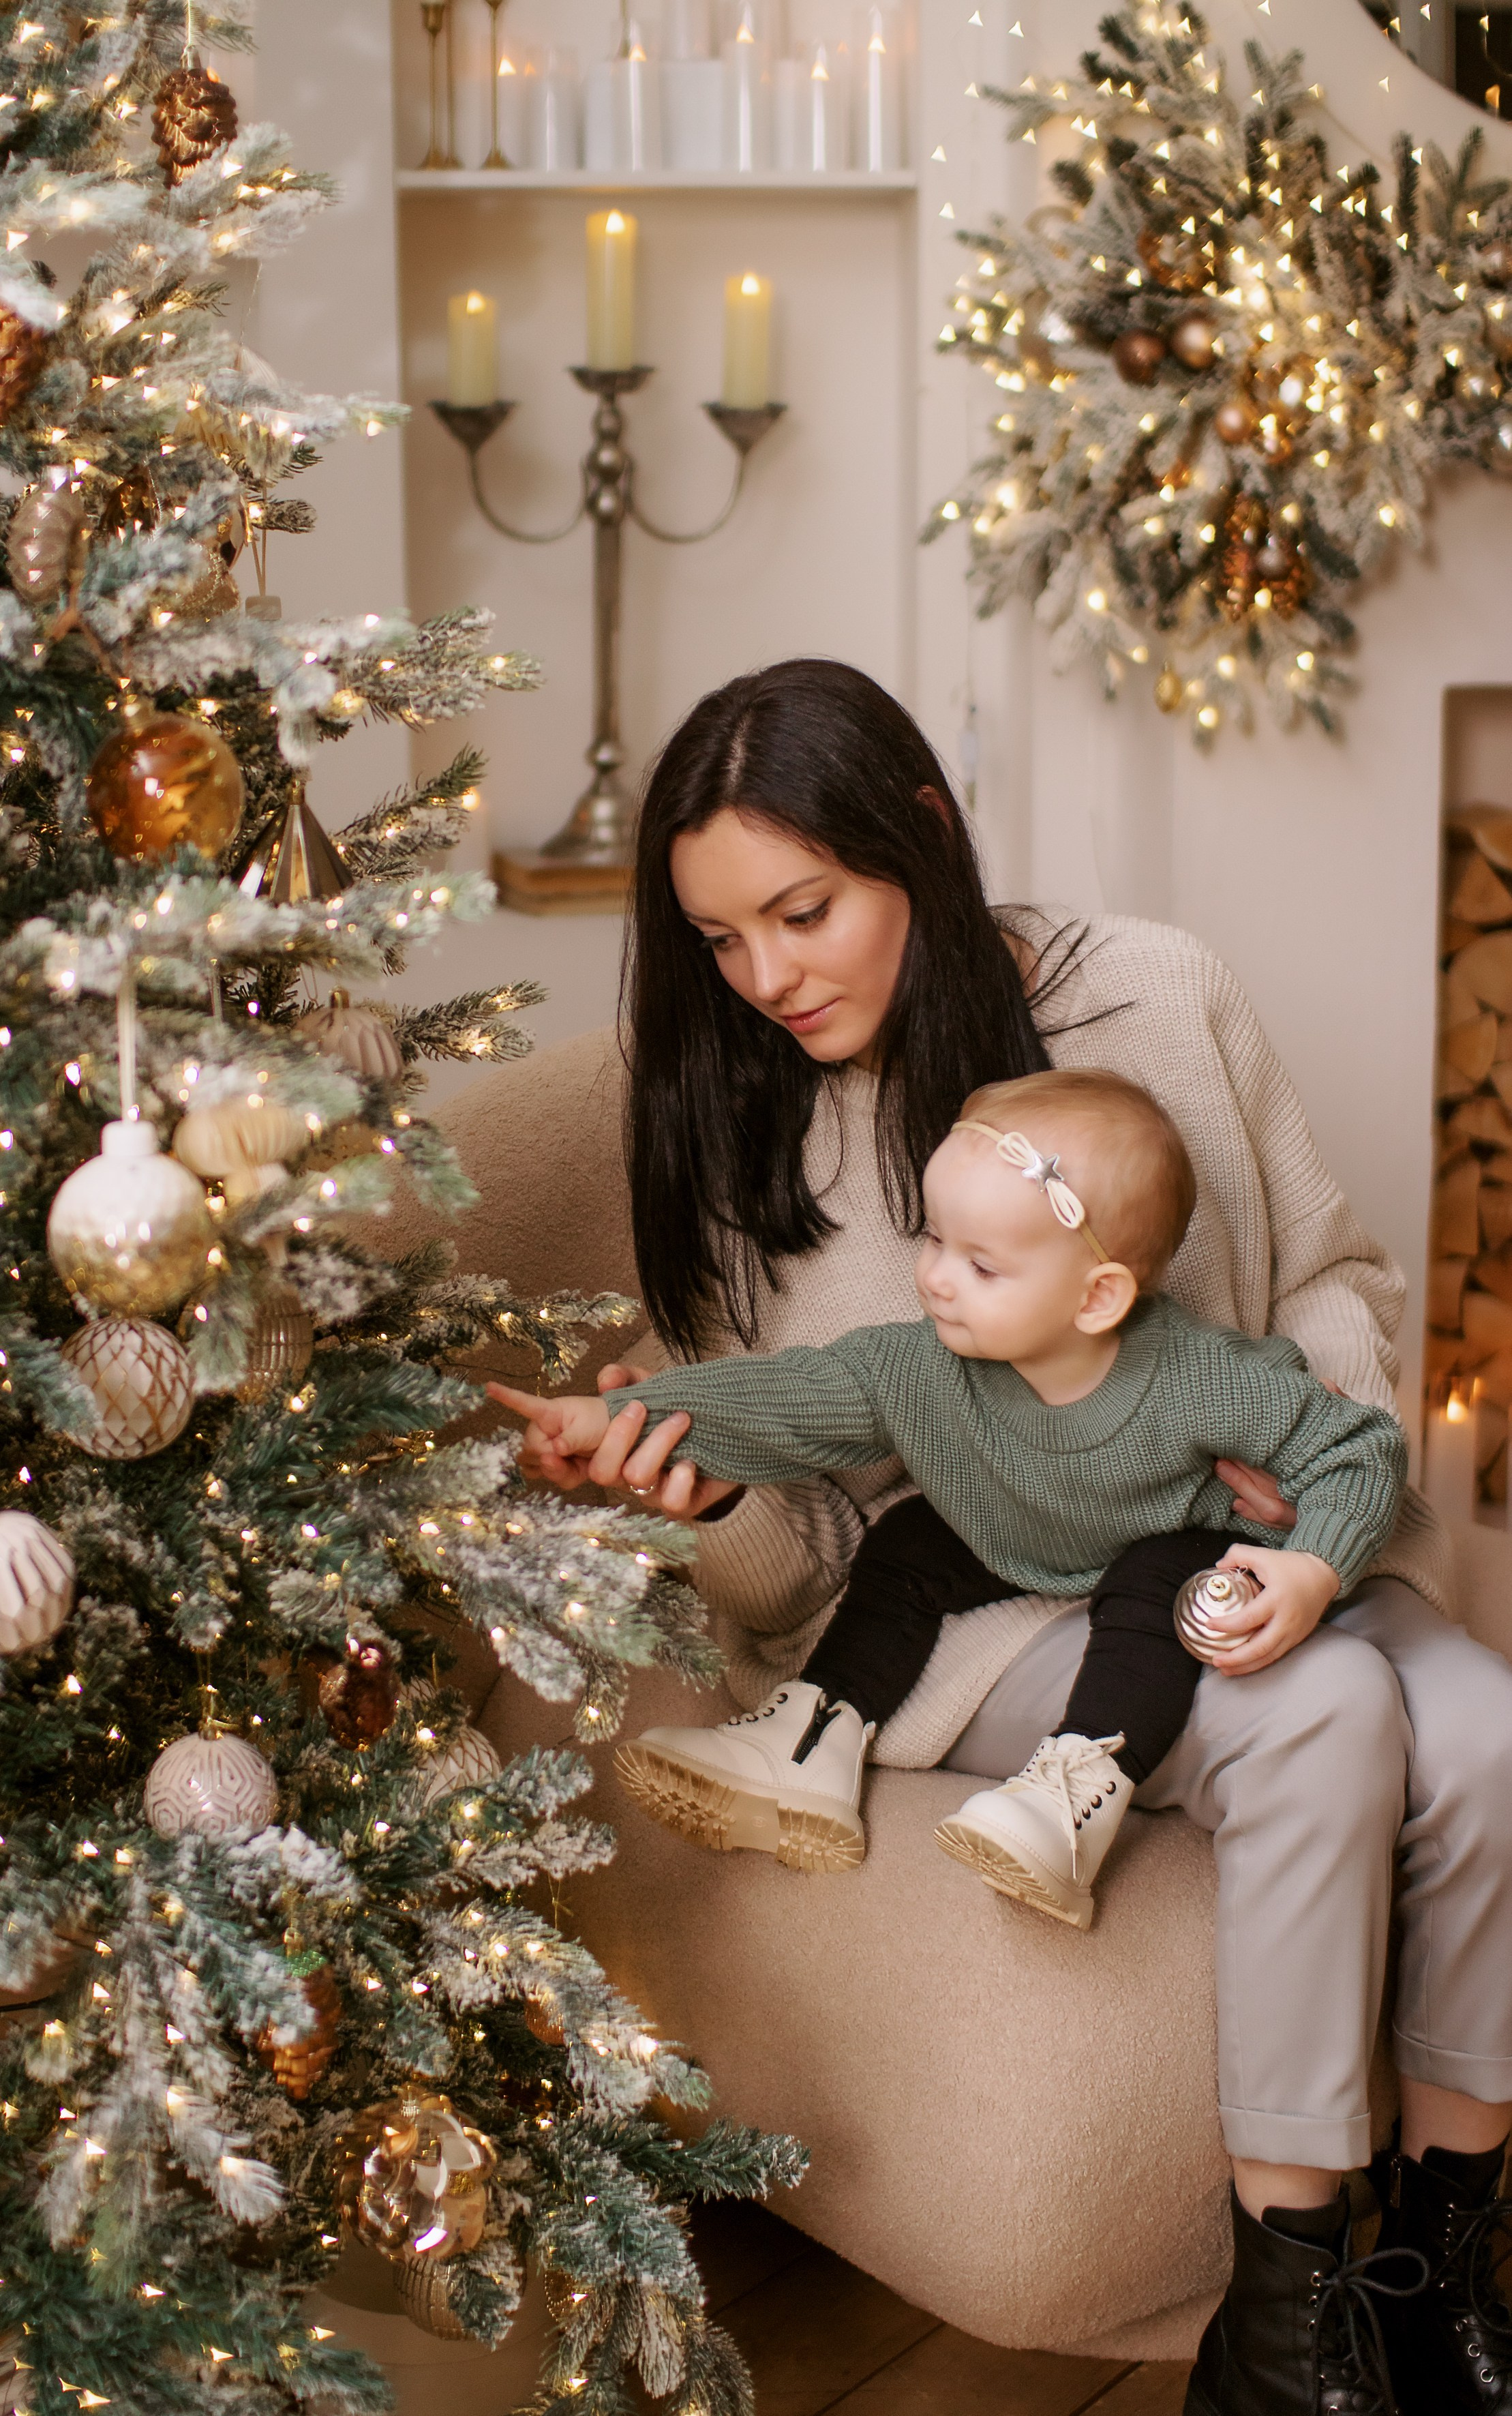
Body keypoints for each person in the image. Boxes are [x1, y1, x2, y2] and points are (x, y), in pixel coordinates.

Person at [504, 659, 1512, 2415]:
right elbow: (797, 1559)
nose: (767, 978)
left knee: (1494, 1734)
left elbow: (1335, 1277)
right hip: (979, 1600)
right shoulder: (737, 1113)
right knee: (1327, 1719)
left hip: (1259, 1528)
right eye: (721, 939)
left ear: (925, 839)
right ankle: (1277, 2330)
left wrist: (1304, 1491)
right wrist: (713, 1503)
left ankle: (1438, 2269)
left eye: (802, 913)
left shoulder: (1155, 994)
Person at [492, 1066, 1410, 1935]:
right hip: (1008, 1523)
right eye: (933, 1240)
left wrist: (1311, 1569)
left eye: (980, 1263)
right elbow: (781, 1400)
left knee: (1150, 1590)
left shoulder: (1203, 1378)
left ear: (1096, 1298)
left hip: (1164, 1538)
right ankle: (812, 1739)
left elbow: (1357, 1449)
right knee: (909, 1540)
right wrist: (610, 1414)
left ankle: (1071, 1792)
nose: (935, 1276)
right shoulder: (921, 1366)